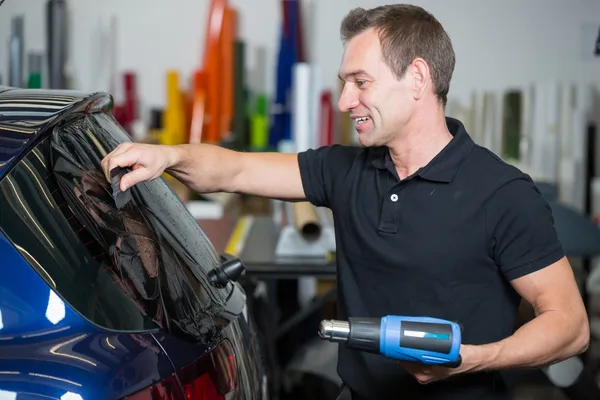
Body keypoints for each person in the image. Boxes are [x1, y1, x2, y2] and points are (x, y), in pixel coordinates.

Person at [101, 4, 589, 399]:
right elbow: (236, 169)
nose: (344, 101)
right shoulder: (346, 169)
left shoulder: (502, 194)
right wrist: (169, 153)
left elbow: (569, 326)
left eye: (361, 82)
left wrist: (480, 358)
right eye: (343, 84)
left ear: (417, 78)